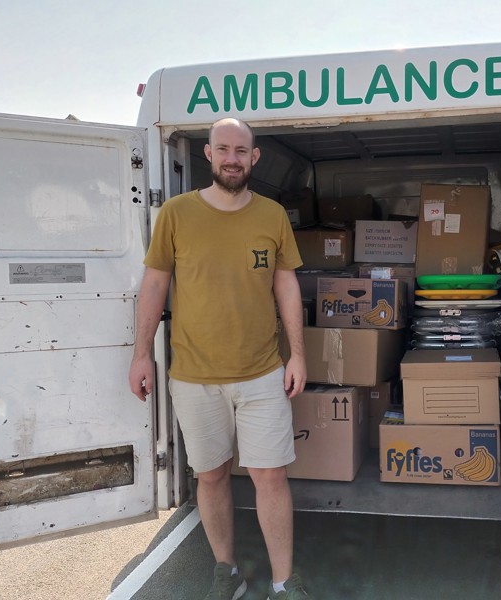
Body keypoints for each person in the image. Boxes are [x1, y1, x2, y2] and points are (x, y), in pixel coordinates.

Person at [128, 117, 310, 600]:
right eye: (223, 149)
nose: (232, 158)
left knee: (270, 476)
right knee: (210, 476)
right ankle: (225, 572)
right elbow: (154, 285)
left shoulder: (272, 215)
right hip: (194, 375)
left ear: (254, 158)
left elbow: (286, 284)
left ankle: (283, 581)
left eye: (241, 151)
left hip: (262, 372)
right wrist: (141, 354)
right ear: (208, 155)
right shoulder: (175, 214)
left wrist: (297, 356)